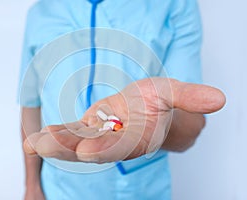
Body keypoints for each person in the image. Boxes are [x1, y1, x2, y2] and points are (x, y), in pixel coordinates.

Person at [18, 0, 226, 199]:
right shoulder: (39, 13)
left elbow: (191, 124)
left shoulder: (174, 5)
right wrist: (32, 186)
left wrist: (154, 124)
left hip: (141, 189)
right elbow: (30, 106)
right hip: (60, 189)